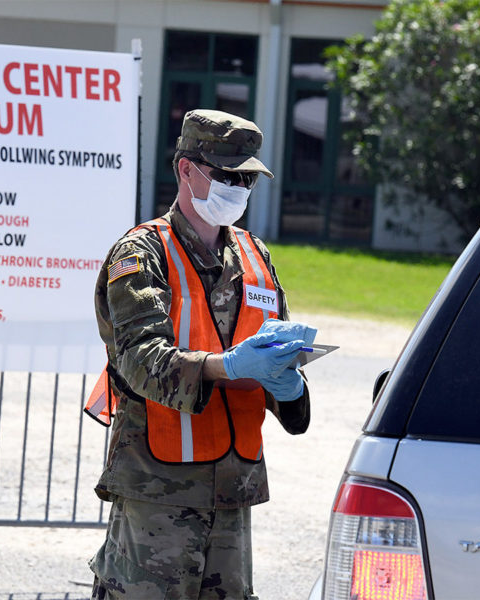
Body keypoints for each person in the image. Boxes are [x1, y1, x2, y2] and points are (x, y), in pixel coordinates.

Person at [85, 109, 316, 599]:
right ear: (185, 169)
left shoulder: (255, 256)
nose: (238, 186)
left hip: (233, 488)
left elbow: (275, 348)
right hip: (158, 488)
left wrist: (289, 385)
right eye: (226, 174)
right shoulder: (142, 252)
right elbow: (139, 358)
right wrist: (226, 367)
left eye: (246, 177)